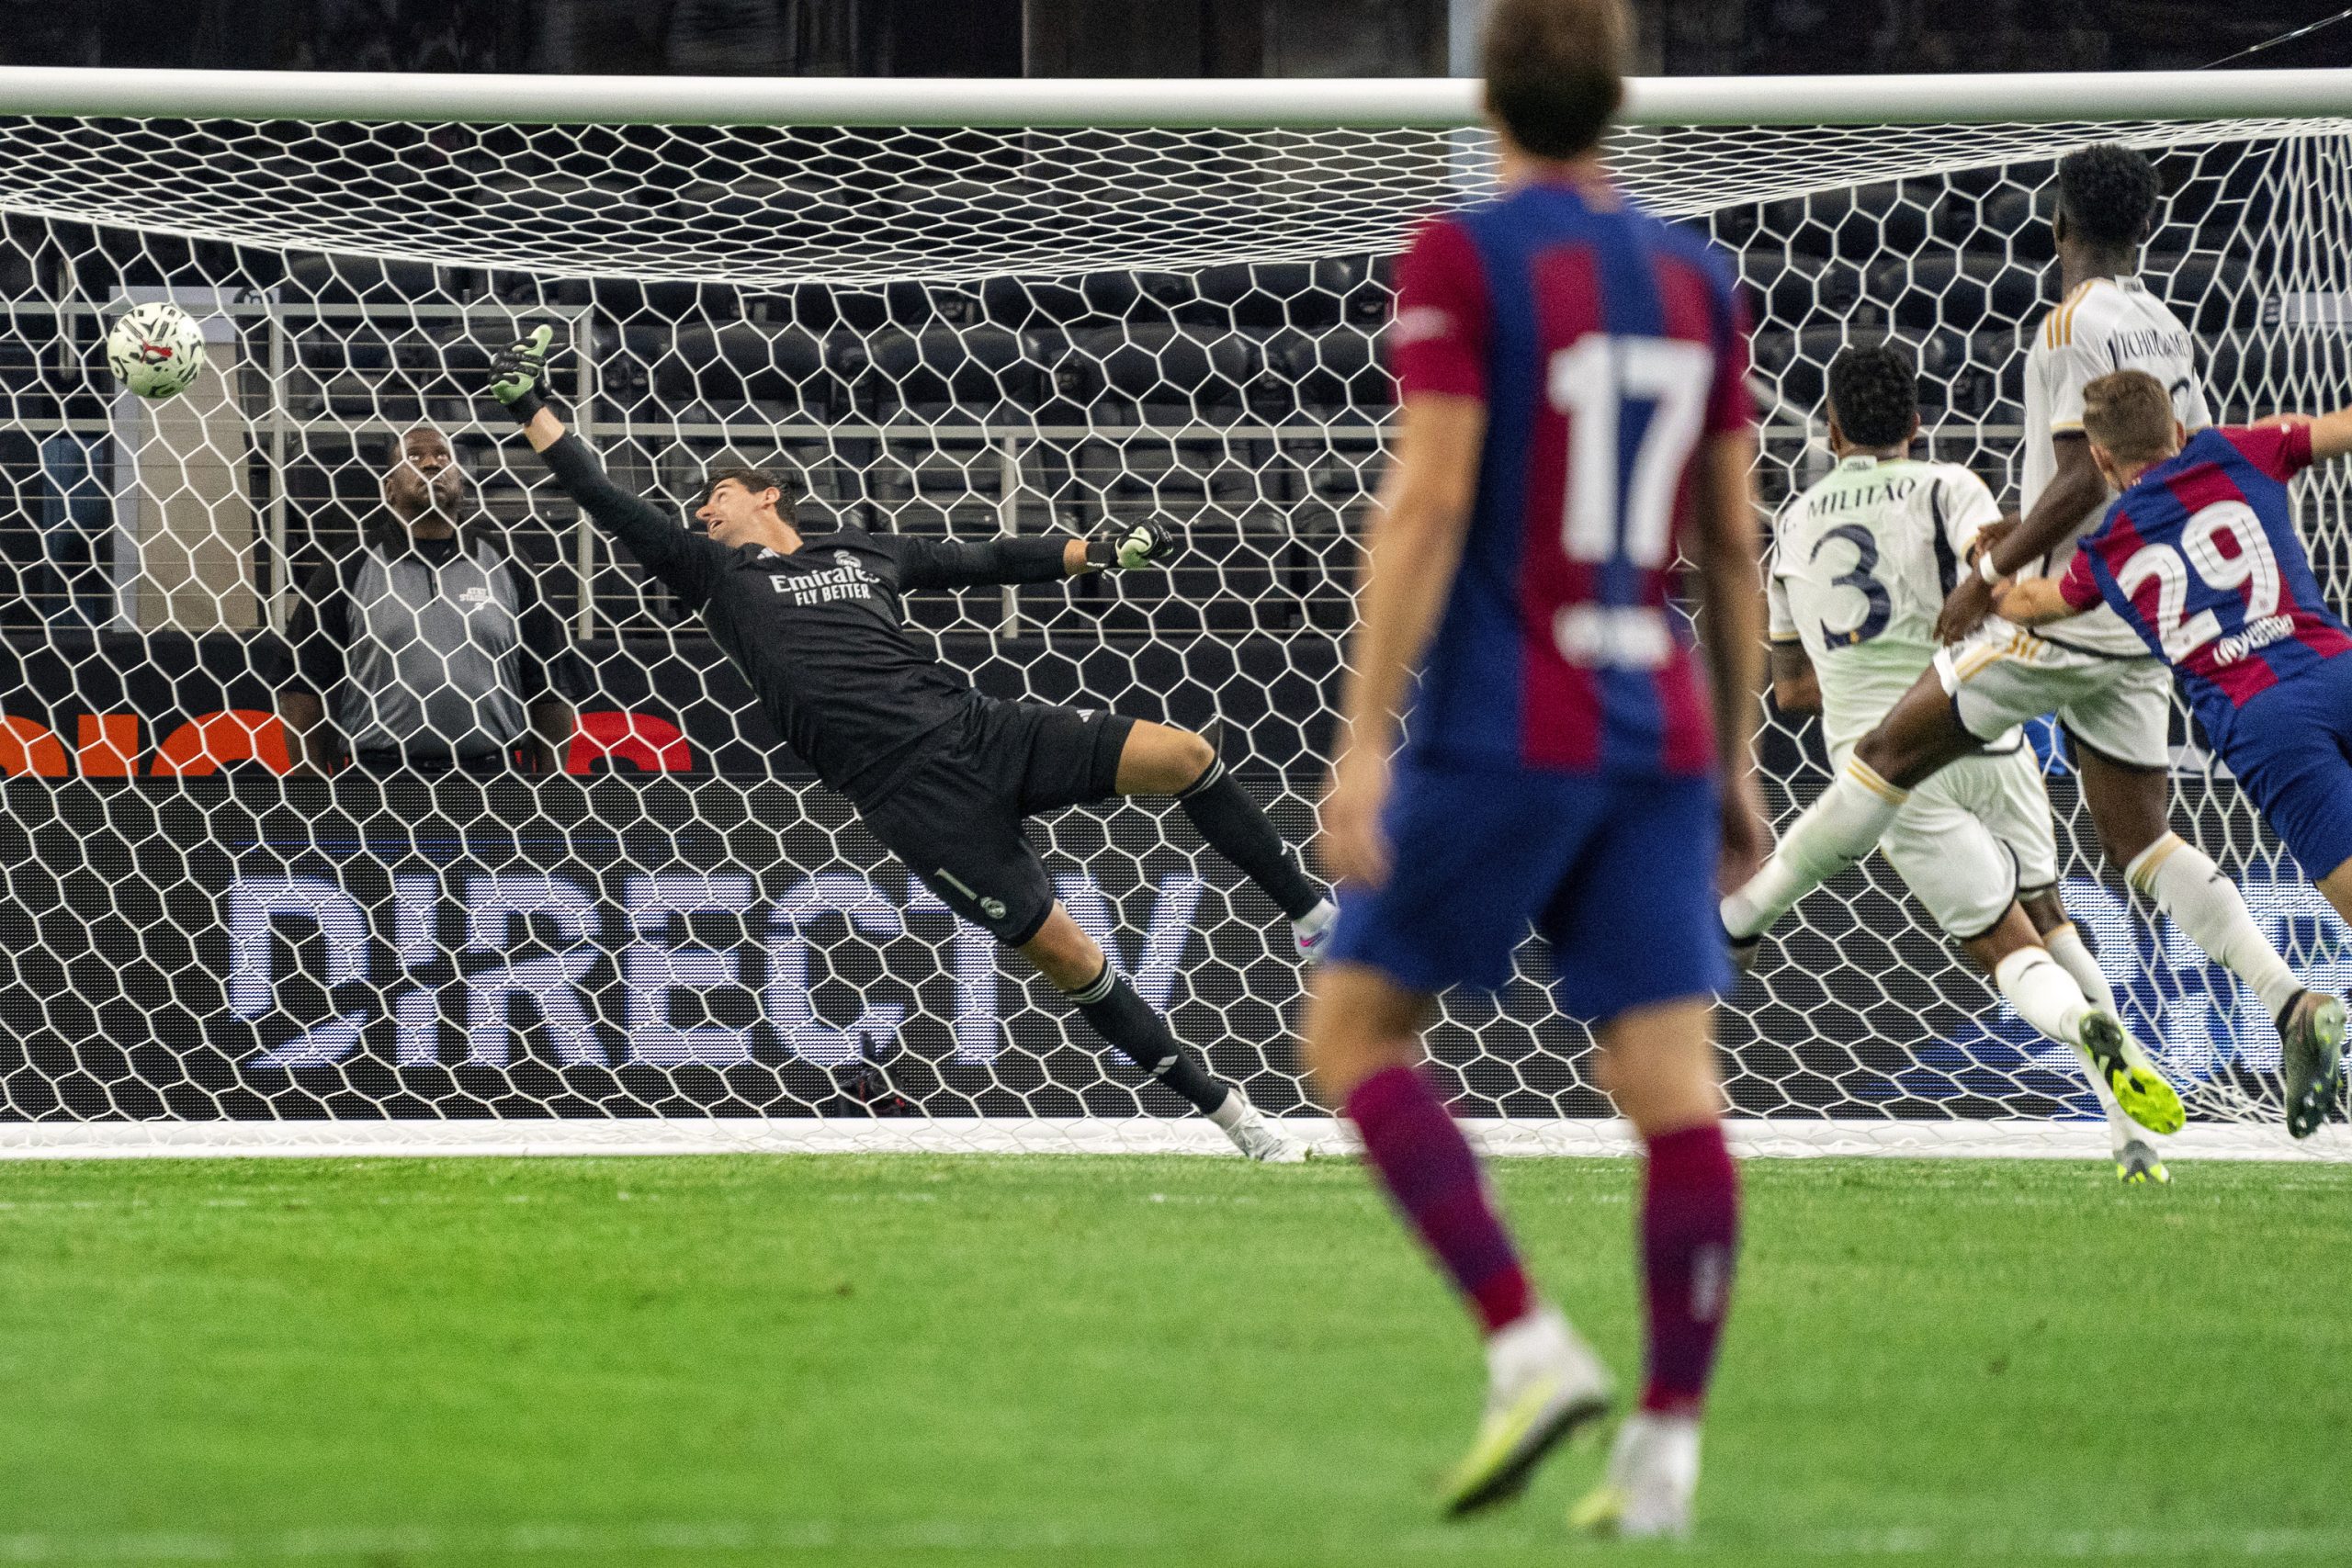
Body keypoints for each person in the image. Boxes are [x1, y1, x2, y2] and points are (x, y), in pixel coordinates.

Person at [483, 328, 1333, 1162]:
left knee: (1185, 753)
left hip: (979, 729)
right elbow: (601, 494)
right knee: (1072, 956)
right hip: (914, 800)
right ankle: (1235, 1119)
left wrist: (1098, 551)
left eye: (716, 497)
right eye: (699, 509)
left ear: (766, 494)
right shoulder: (715, 576)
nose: (701, 512)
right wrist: (535, 411)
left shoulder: (865, 549)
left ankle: (1310, 914)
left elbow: (990, 556)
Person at [1303, 0, 1760, 1537]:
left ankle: (1527, 1338)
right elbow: (1731, 539)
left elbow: (1429, 501)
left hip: (1511, 721)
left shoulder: (1462, 257)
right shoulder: (1702, 279)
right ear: (1619, 99)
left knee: (1355, 1036)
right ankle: (1669, 1452)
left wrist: (1362, 737)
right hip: (1661, 734)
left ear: (1482, 94)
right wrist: (1742, 755)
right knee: (1669, 1090)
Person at [1718, 143, 2337, 1081]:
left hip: (2058, 617)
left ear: (2056, 226)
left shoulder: (2066, 325)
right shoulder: (2165, 325)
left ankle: (1734, 923)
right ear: (2147, 228)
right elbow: (2185, 460)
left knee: (1883, 753)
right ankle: (2285, 1000)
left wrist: (1989, 572)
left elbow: (2083, 474)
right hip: (2141, 618)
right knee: (2137, 839)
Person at [1767, 345, 2177, 1178]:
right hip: (1981, 724)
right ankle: (2129, 1134)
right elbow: (1993, 569)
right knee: (2053, 919)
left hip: (1889, 761)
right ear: (1918, 424)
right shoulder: (1950, 483)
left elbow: (1791, 692)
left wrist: (1851, 660)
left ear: (1832, 428)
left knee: (2001, 943)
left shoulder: (1795, 519)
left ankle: (2075, 1027)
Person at [1994, 368, 2352, 1136]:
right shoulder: (2237, 448)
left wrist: (1992, 562)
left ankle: (2302, 1008)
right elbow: (2336, 426)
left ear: (2098, 457)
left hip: (2266, 717)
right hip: (2336, 663)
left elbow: (2033, 602)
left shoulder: (2107, 548)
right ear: (2179, 430)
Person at [269, 426, 584, 776]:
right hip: (379, 779)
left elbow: (550, 682)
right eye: (414, 457)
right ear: (389, 487)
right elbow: (301, 683)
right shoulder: (349, 565)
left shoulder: (507, 560)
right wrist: (307, 781)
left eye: (443, 456)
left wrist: (554, 783)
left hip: (492, 776)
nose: (431, 463)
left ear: (461, 483)